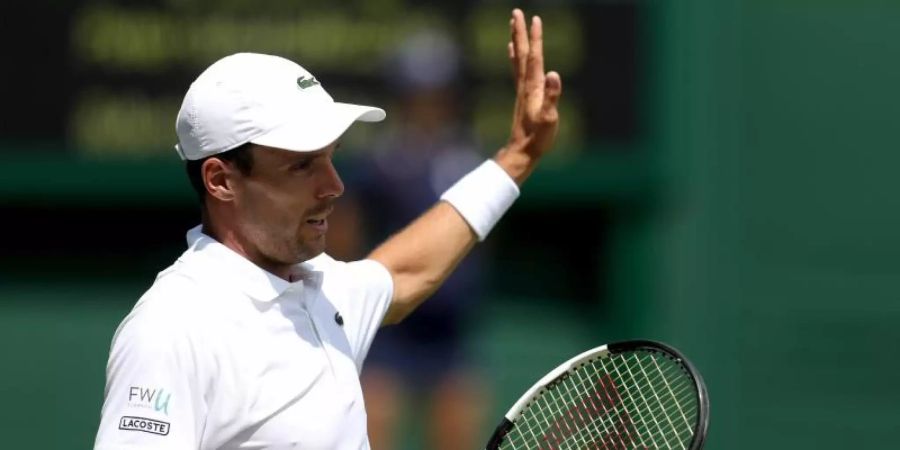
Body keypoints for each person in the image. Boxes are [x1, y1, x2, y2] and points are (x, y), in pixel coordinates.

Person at [93, 8, 561, 450]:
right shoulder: (172, 327)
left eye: (330, 159)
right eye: (301, 166)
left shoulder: (327, 291)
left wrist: (517, 156)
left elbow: (408, 270)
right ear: (220, 180)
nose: (333, 186)